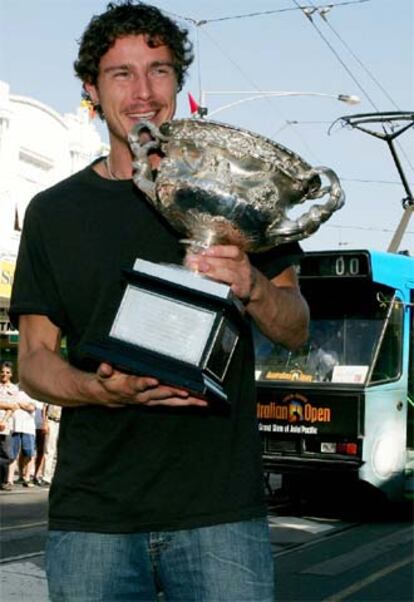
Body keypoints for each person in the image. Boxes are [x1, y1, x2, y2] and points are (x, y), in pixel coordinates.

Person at [9, 2, 309, 600]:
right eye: (122, 74)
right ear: (91, 89)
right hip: (95, 519)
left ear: (179, 80)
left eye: (160, 70)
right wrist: (98, 389)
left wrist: (249, 282)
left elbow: (296, 328)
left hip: (221, 515)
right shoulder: (53, 213)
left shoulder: (234, 192)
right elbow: (35, 359)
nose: (143, 92)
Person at [0, 361, 19, 491]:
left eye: (7, 372)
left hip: (4, 425)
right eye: (2, 372)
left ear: (11, 374)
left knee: (5, 454)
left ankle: (2, 481)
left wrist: (3, 422)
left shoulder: (14, 388)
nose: (4, 374)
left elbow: (14, 407)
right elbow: (11, 405)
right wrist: (8, 405)